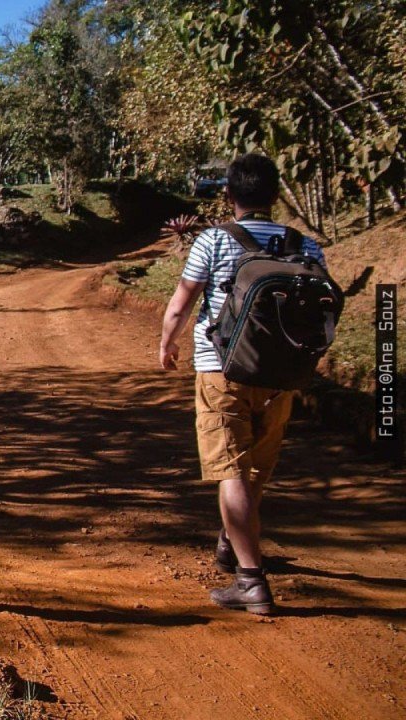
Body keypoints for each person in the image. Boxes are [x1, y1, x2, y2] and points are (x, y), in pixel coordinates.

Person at [158, 153, 327, 615]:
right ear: (274, 197)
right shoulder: (306, 246)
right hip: (281, 376)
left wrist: (167, 344)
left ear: (228, 195)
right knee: (255, 467)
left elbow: (181, 303)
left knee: (230, 468)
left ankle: (251, 582)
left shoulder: (213, 241)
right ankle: (234, 542)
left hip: (222, 370)